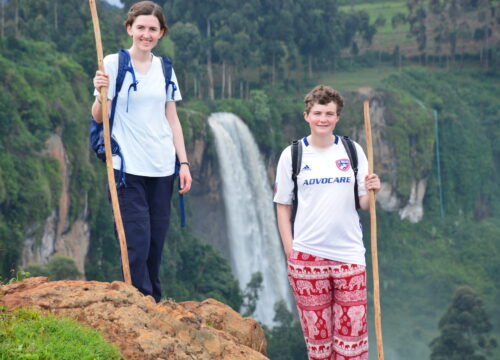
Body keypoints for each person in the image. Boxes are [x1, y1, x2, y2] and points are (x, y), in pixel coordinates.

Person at [91, 1, 192, 302]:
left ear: (161, 33)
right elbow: (98, 116)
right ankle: (141, 302)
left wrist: (183, 163)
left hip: (162, 168)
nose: (146, 34)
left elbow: (172, 118)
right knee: (136, 241)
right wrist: (100, 93)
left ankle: (154, 302)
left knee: (155, 243)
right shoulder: (111, 63)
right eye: (141, 28)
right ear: (129, 29)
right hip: (126, 169)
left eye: (152, 29)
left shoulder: (166, 69)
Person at [273, 85, 381, 360]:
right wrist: (291, 250)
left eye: (329, 114)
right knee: (318, 344)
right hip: (307, 258)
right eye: (318, 113)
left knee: (352, 342)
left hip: (349, 256)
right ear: (306, 115)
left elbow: (365, 204)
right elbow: (283, 206)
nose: (323, 119)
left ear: (337, 117)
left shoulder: (352, 151)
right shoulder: (293, 155)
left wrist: (373, 190)